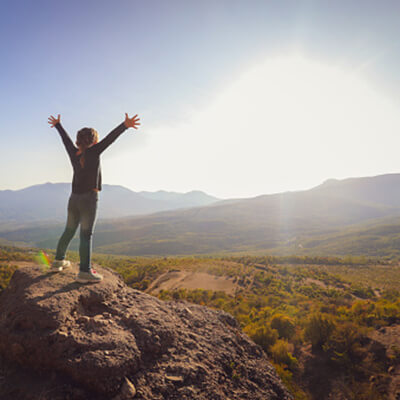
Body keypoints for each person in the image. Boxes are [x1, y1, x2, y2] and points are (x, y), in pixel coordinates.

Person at [47, 113, 140, 283]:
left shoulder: (73, 152)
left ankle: (58, 261)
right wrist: (125, 125)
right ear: (94, 141)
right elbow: (110, 139)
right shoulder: (94, 152)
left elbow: (65, 140)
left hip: (73, 198)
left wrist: (58, 125)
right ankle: (84, 271)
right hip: (89, 199)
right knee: (86, 234)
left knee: (69, 230)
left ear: (78, 141)